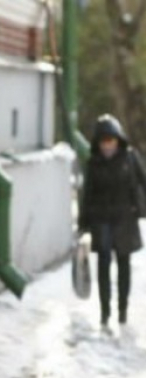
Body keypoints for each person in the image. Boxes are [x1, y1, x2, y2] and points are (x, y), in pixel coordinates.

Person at [77, 113, 146, 328]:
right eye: (103, 141)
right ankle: (105, 311)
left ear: (118, 140)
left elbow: (143, 181)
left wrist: (140, 207)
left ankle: (122, 310)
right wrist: (83, 224)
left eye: (111, 140)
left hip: (125, 218)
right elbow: (87, 193)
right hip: (102, 220)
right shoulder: (94, 164)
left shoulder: (130, 158)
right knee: (104, 265)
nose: (107, 145)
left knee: (124, 265)